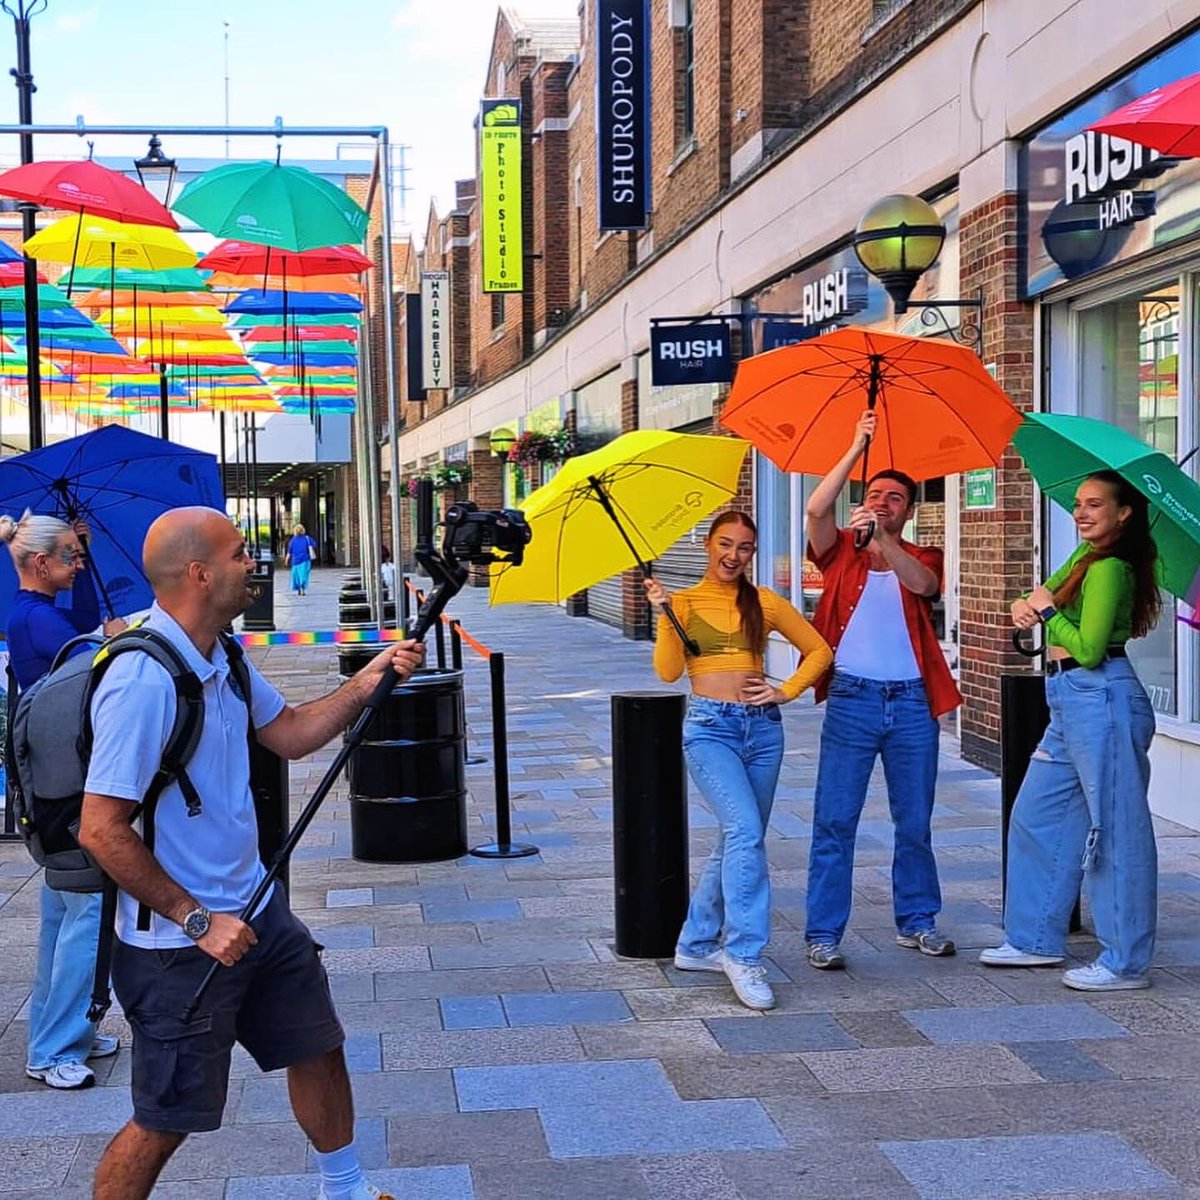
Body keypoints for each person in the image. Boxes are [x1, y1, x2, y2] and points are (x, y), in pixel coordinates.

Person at [77, 507, 425, 1200]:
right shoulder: (143, 681)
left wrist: (371, 678)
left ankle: (346, 1189)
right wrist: (197, 919)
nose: (254, 565)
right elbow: (100, 829)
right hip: (181, 945)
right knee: (165, 1119)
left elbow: (291, 733)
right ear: (200, 574)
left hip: (259, 911)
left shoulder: (224, 655)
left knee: (317, 1047)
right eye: (241, 554)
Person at [981, 470, 1160, 991]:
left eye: (1095, 505)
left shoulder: (1112, 569)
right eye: (1078, 503)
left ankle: (1124, 962)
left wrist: (1047, 612)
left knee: (1115, 830)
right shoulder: (1086, 559)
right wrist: (1027, 606)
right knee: (1036, 814)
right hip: (1066, 700)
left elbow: (1085, 646)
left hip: (1100, 696)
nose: (1081, 513)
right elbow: (1040, 596)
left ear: (1123, 513)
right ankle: (1033, 938)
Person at [646, 510, 832, 1010]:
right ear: (707, 545)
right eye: (725, 544)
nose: (733, 555)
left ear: (753, 553)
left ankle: (695, 944)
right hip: (709, 729)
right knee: (745, 833)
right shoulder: (682, 603)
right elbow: (667, 673)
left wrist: (785, 691)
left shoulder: (765, 602)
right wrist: (664, 615)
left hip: (763, 731)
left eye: (744, 547)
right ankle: (744, 954)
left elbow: (819, 651)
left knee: (738, 838)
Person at [803, 411, 961, 971]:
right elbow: (816, 510)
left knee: (913, 821)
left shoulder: (921, 555)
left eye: (895, 497)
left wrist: (884, 543)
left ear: (910, 509)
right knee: (835, 820)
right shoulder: (838, 549)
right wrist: (855, 446)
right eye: (875, 494)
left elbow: (925, 587)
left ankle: (916, 921)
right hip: (852, 700)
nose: (884, 501)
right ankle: (823, 933)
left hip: (914, 702)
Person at [0, 510, 126, 1090]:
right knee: (86, 915)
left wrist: (87, 546)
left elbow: (82, 634)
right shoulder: (39, 624)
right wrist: (114, 644)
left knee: (65, 915)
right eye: (71, 557)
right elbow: (95, 668)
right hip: (65, 783)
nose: (78, 565)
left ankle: (66, 1030)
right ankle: (53, 1048)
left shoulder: (37, 615)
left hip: (58, 777)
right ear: (40, 562)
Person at [285, 522, 317, 596]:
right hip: (305, 560)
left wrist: (287, 560)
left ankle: (299, 588)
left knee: (297, 576)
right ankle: (302, 588)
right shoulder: (307, 538)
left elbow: (289, 552)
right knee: (304, 575)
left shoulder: (292, 540)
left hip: (295, 561)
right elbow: (314, 545)